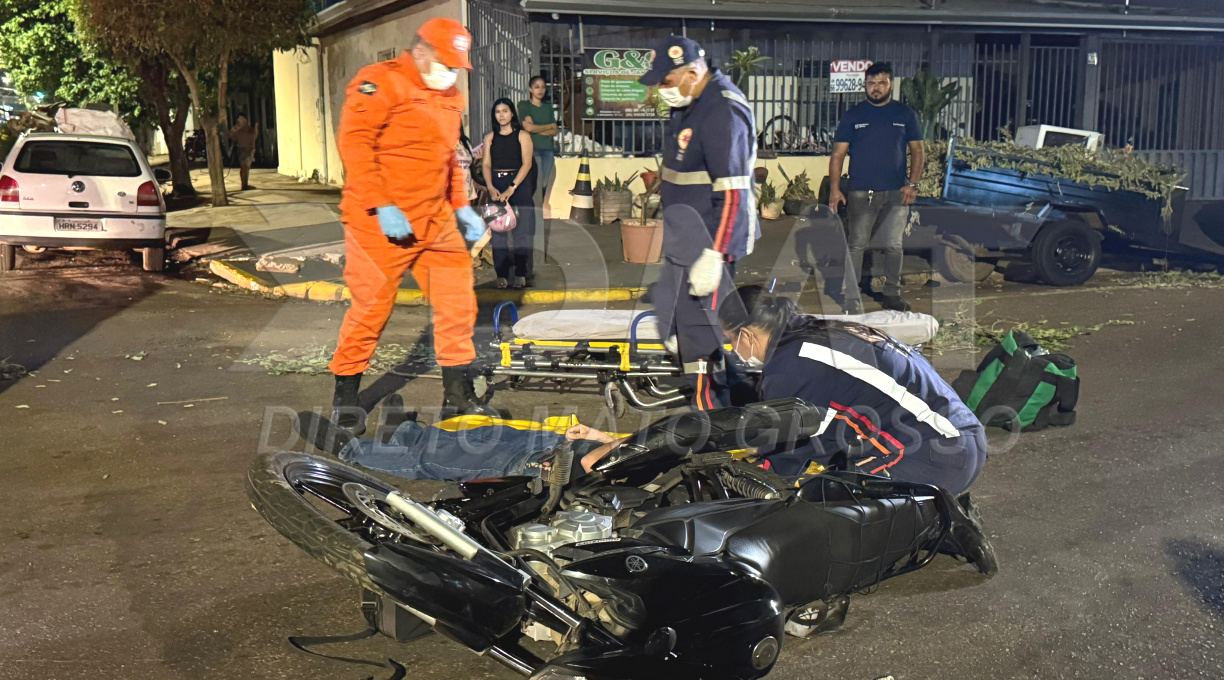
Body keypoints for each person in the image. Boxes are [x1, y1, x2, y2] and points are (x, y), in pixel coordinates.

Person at [328, 17, 494, 435]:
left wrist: (463, 206)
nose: (452, 72)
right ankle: (346, 397)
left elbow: (449, 158)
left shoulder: (450, 96)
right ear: (421, 51)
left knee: (458, 305)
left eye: (458, 65)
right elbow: (355, 144)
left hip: (434, 218)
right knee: (371, 310)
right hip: (378, 221)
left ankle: (457, 395)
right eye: (446, 62)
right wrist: (383, 204)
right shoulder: (379, 82)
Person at [719, 284, 986, 496]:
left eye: (730, 342)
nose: (733, 351)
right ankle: (937, 514)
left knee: (820, 502)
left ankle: (945, 524)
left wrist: (749, 477)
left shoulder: (789, 366)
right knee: (835, 469)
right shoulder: (816, 331)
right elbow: (827, 431)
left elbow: (784, 458)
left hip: (937, 458)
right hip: (965, 442)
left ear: (745, 335)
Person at [638, 36, 759, 411]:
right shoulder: (690, 103)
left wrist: (717, 255)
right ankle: (725, 400)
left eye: (667, 82)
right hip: (684, 241)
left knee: (700, 340)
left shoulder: (722, 110)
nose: (662, 91)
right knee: (677, 325)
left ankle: (712, 421)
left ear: (692, 72)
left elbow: (734, 192)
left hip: (709, 243)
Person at [827, 62, 924, 314]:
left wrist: (912, 185)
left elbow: (917, 150)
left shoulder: (905, 114)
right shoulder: (854, 115)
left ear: (891, 83)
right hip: (861, 193)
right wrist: (835, 190)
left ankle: (892, 293)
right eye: (871, 84)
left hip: (896, 192)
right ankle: (851, 298)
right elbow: (838, 155)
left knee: (894, 245)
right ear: (865, 85)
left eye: (881, 83)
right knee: (857, 245)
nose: (876, 88)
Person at [296, 410, 625, 482]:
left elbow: (599, 465)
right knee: (486, 433)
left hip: (552, 467)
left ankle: (350, 449)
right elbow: (634, 447)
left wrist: (598, 446)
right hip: (560, 448)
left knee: (442, 457)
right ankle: (406, 435)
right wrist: (601, 438)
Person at [481, 98, 535, 289]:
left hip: (518, 184)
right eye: (497, 112)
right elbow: (486, 164)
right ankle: (502, 274)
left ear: (512, 113)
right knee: (498, 233)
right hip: (496, 184)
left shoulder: (522, 135)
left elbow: (526, 163)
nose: (501, 115)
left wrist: (511, 188)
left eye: (505, 111)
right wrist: (491, 186)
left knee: (521, 232)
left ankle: (521, 273)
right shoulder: (490, 138)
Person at [518, 76, 558, 208]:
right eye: (536, 87)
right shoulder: (524, 105)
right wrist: (547, 126)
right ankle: (531, 207)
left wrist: (535, 127)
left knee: (545, 182)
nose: (540, 90)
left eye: (542, 87)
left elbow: (555, 131)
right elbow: (528, 128)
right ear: (530, 89)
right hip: (532, 149)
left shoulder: (548, 108)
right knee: (534, 180)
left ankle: (538, 206)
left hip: (547, 149)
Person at [229, 114, 259, 191]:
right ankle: (244, 185)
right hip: (241, 150)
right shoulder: (237, 129)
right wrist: (234, 129)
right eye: (239, 120)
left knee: (247, 168)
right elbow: (229, 135)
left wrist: (256, 127)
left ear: (245, 121)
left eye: (241, 120)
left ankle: (245, 184)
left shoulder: (249, 129)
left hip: (249, 150)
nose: (240, 122)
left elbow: (254, 137)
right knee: (243, 168)